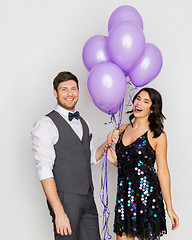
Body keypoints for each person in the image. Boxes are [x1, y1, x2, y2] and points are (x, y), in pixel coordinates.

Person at [31, 71, 119, 240]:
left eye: (73, 89)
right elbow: (44, 169)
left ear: (78, 91)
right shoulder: (45, 124)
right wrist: (58, 212)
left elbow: (89, 157)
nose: (70, 94)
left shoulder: (84, 123)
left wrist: (107, 143)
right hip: (65, 199)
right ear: (55, 93)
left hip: (88, 197)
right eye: (64, 89)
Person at [105, 87, 179, 240]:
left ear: (152, 109)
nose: (139, 103)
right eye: (138, 99)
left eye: (146, 101)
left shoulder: (157, 135)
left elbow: (163, 171)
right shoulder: (122, 129)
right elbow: (131, 163)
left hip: (147, 198)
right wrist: (116, 162)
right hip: (125, 198)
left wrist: (169, 208)